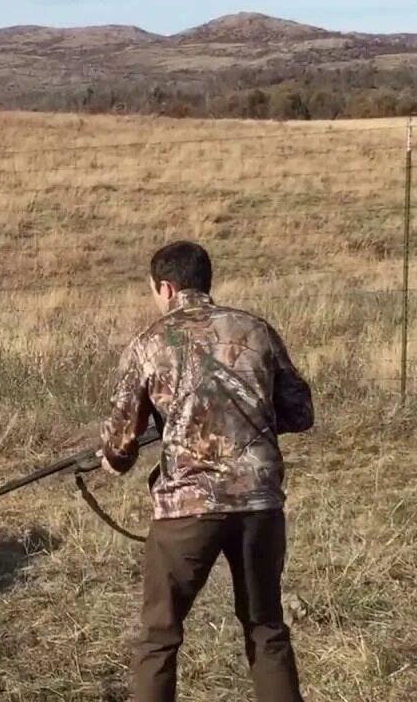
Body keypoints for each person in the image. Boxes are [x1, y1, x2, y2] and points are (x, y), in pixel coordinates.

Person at [95, 240, 314, 702]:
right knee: (266, 629)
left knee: (159, 638)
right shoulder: (256, 330)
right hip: (258, 503)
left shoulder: (150, 342)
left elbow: (120, 442)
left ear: (168, 287)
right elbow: (299, 413)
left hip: (186, 508)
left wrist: (112, 461)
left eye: (154, 290)